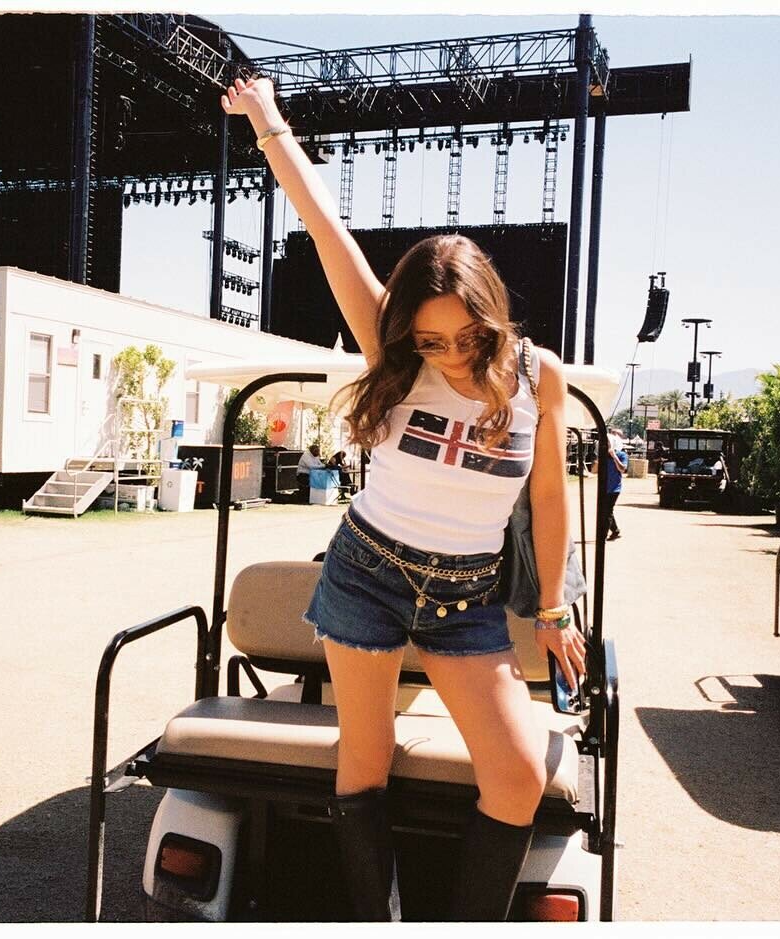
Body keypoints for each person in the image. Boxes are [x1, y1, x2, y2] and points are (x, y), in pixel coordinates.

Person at [223, 75, 584, 921]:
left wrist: (553, 607)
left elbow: (549, 497)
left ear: (492, 315)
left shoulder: (539, 377)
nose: (450, 355)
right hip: (367, 572)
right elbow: (326, 229)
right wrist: (268, 120)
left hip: (466, 597)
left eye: (466, 336)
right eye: (430, 340)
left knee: (516, 774)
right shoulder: (395, 352)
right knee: (366, 757)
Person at [591, 433, 629, 540]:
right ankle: (615, 530)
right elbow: (593, 471)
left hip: (614, 488)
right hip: (603, 488)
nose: (606, 444)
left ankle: (602, 537)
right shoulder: (602, 456)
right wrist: (597, 459)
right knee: (605, 511)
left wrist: (614, 456)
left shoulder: (621, 455)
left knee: (607, 511)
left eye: (608, 442)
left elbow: (622, 469)